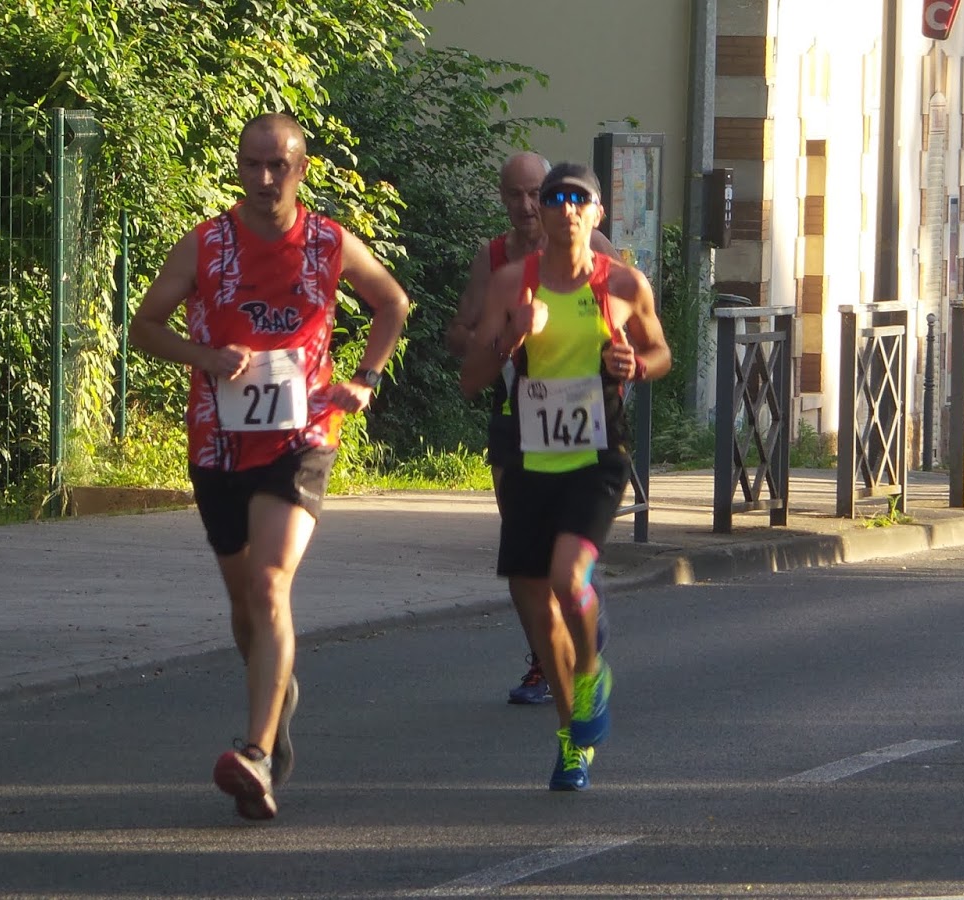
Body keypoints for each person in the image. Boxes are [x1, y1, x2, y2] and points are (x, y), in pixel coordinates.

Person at [128, 112, 411, 820]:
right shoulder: (205, 244)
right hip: (219, 443)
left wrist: (366, 379)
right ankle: (275, 693)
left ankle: (255, 753)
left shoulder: (328, 242)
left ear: (300, 169)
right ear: (239, 167)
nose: (263, 178)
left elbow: (392, 302)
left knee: (270, 582)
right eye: (252, 164)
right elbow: (145, 327)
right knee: (245, 605)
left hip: (302, 435)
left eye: (277, 165)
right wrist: (205, 357)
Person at [460, 162, 670, 791]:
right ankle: (570, 734)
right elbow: (470, 379)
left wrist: (635, 364)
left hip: (597, 454)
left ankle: (590, 673)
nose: (566, 209)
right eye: (555, 199)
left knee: (566, 576)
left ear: (597, 213)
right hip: (530, 455)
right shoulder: (511, 284)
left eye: (579, 199)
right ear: (543, 213)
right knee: (531, 599)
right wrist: (510, 338)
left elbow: (660, 352)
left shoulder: (623, 284)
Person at [446, 152, 616, 706]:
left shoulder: (596, 247)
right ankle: (546, 659)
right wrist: (496, 335)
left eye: (533, 193)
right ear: (503, 199)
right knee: (525, 551)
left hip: (587, 424)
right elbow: (461, 333)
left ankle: (580, 616)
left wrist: (620, 360)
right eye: (514, 195)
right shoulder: (494, 260)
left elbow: (630, 323)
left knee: (566, 558)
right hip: (515, 416)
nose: (525, 206)